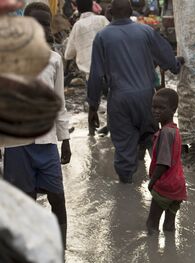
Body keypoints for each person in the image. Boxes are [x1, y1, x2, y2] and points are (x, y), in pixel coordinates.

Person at [87, 0, 183, 183]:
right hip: (148, 98)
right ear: (131, 11)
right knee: (152, 141)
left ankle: (126, 194)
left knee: (123, 149)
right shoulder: (145, 31)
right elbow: (166, 55)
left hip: (119, 99)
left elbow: (96, 75)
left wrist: (93, 106)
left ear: (110, 12)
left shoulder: (102, 37)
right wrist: (176, 65)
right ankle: (163, 186)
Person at [2, 1, 71, 248]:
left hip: (46, 141)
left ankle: (60, 249)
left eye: (46, 23)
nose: (43, 28)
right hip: (16, 144)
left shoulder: (54, 60)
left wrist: (66, 140)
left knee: (57, 197)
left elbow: (60, 103)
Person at [146, 88, 186, 234]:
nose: (156, 111)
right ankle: (171, 251)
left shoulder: (165, 133)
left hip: (165, 186)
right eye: (154, 107)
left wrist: (152, 181)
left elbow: (163, 163)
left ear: (173, 109)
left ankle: (153, 255)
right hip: (178, 186)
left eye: (161, 108)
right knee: (169, 225)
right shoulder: (175, 131)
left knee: (152, 223)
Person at [64, 0, 109, 78]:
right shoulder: (103, 19)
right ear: (92, 6)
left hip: (87, 76)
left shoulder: (77, 25)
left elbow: (68, 55)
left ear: (78, 8)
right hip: (107, 72)